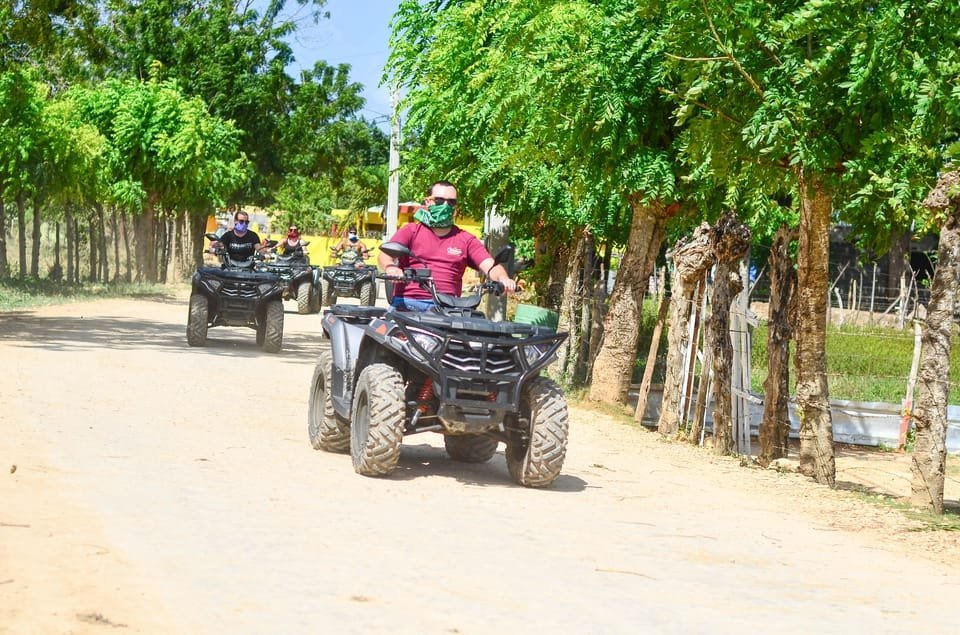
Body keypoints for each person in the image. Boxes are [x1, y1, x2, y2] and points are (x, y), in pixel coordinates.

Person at [378, 180, 517, 311]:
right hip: (410, 303)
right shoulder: (411, 231)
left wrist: (503, 278)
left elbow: (490, 266)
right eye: (439, 200)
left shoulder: (466, 239)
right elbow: (385, 255)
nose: (445, 205)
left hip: (449, 308)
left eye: (451, 202)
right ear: (428, 202)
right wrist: (391, 268)